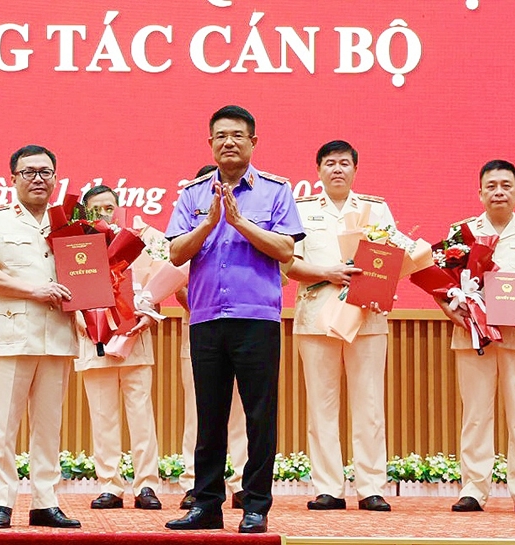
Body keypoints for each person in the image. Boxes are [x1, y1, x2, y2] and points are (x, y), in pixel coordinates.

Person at [164, 105, 304, 534]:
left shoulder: (276, 191)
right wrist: (209, 223)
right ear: (210, 143)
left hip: (257, 317)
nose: (229, 142)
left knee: (260, 415)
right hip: (206, 317)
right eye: (221, 135)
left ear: (253, 142)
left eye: (238, 135)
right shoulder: (193, 194)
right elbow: (176, 253)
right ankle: (206, 504)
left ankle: (255, 505)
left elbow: (286, 250)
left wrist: (240, 222)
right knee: (209, 416)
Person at [0, 145, 81, 529]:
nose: (38, 179)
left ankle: (46, 502)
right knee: (3, 426)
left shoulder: (70, 222)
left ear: (56, 178)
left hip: (57, 333)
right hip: (13, 334)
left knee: (49, 426)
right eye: (29, 172)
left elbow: (87, 273)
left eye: (45, 172)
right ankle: (1, 502)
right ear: (13, 178)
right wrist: (36, 290)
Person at [283, 141, 393, 512]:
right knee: (321, 404)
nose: (337, 170)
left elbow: (391, 259)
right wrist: (327, 273)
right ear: (318, 171)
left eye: (344, 163)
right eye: (330, 163)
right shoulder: (300, 210)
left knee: (369, 403)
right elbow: (289, 264)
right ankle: (328, 487)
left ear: (355, 169)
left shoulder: (376, 209)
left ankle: (371, 487)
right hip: (317, 316)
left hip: (366, 317)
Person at [436, 159, 515, 514]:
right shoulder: (462, 233)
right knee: (476, 413)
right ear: (480, 192)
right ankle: (473, 489)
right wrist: (450, 311)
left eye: (505, 186)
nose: (498, 192)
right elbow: (444, 285)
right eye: (491, 186)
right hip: (473, 337)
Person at [75, 185, 162, 511]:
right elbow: (69, 291)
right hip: (94, 341)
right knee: (103, 417)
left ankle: (147, 485)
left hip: (134, 340)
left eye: (109, 207)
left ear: (119, 208)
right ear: (85, 213)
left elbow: (156, 287)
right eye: (96, 209)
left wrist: (149, 315)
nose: (104, 214)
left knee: (142, 417)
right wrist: (81, 318)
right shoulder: (76, 246)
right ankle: (110, 485)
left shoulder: (138, 242)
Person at [176, 165, 248, 511]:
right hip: (201, 326)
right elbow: (175, 272)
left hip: (246, 324)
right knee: (200, 411)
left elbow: (278, 272)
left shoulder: (247, 223)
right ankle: (195, 482)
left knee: (243, 412)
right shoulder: (191, 220)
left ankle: (242, 483)